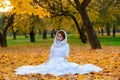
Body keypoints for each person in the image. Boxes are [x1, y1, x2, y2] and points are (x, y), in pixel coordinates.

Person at [15, 30, 102, 76]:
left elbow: (66, 55)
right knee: (47, 68)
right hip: (53, 60)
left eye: (60, 37)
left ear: (63, 38)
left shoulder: (66, 45)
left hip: (62, 60)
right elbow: (51, 54)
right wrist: (49, 61)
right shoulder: (54, 44)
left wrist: (63, 61)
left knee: (66, 68)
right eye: (58, 36)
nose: (58, 37)